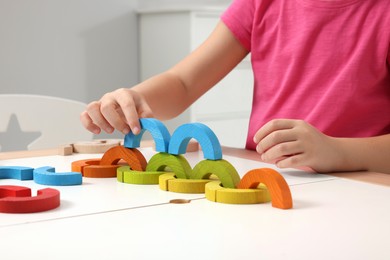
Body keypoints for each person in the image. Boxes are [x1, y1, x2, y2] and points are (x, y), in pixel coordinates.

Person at [81, 0, 390, 174]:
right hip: (266, 183)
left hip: (362, 188)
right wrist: (136, 98)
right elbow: (183, 83)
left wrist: (338, 151)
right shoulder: (261, 4)